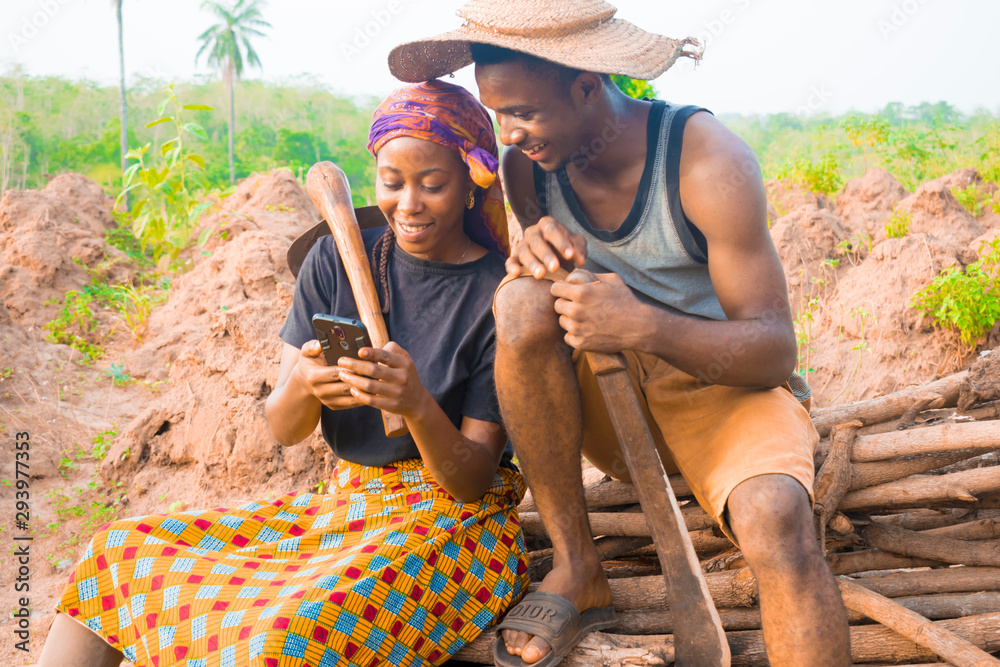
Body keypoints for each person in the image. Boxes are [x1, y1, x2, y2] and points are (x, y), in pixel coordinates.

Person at [387, 2, 852, 666]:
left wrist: (645, 323)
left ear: (586, 83)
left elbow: (775, 349)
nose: (510, 135)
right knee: (519, 303)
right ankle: (579, 565)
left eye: (524, 112)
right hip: (613, 401)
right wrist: (535, 252)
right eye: (498, 115)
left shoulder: (706, 163)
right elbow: (537, 311)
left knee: (778, 516)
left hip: (725, 391)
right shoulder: (530, 171)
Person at [40, 79, 529, 667]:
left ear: (473, 185)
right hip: (346, 508)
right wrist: (302, 385)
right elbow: (283, 428)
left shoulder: (499, 294)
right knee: (113, 554)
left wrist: (417, 405)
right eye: (392, 183)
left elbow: (472, 480)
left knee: (283, 638)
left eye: (433, 185)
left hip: (454, 533)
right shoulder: (335, 259)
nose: (409, 204)